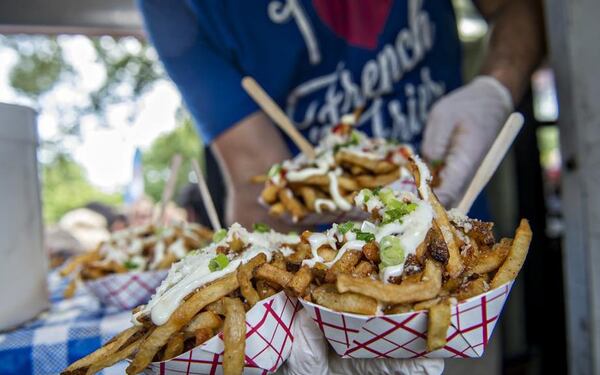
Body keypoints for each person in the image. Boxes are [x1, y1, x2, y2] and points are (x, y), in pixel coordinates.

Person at [138, 0, 545, 373]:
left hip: (461, 281)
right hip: (324, 298)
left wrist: (496, 86)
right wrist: (271, 320)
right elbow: (254, 173)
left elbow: (516, 5)